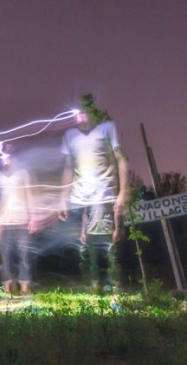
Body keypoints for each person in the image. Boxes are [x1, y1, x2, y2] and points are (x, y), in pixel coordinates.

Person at [58, 95, 127, 293]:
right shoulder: (70, 136)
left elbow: (120, 159)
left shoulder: (106, 128)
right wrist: (63, 198)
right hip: (82, 199)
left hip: (103, 195)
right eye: (76, 114)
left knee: (109, 248)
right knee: (87, 250)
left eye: (82, 112)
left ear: (91, 112)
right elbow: (68, 167)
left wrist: (122, 192)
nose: (78, 117)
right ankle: (95, 286)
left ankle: (115, 288)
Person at [0, 146, 38, 296]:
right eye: (3, 157)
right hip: (3, 223)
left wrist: (33, 217)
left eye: (8, 156)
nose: (6, 160)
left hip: (21, 221)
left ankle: (24, 290)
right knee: (4, 259)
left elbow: (29, 194)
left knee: (23, 257)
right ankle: (8, 292)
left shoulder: (23, 173)